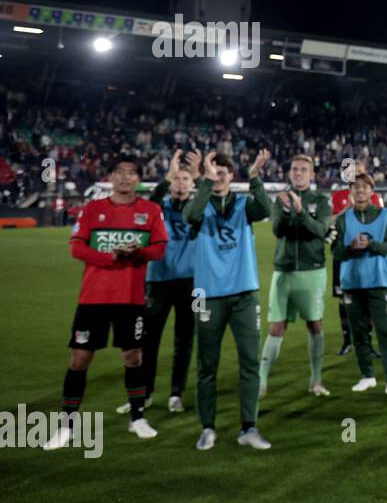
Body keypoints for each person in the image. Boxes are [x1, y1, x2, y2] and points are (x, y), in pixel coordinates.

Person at [45, 155, 167, 449]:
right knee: (79, 359)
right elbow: (76, 248)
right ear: (110, 177)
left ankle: (137, 418)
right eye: (120, 173)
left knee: (133, 357)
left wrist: (136, 252)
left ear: (138, 178)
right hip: (94, 297)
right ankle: (67, 425)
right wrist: (111, 257)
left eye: (132, 173)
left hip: (130, 297)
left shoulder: (150, 210)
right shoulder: (92, 209)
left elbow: (160, 248)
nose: (126, 178)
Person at [185, 150, 275, 451]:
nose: (219, 176)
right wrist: (205, 183)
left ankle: (248, 427)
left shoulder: (241, 204)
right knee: (206, 365)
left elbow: (265, 209)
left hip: (244, 294)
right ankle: (207, 427)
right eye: (214, 172)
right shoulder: (200, 201)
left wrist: (255, 177)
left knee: (250, 362)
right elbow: (191, 217)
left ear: (231, 176)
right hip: (206, 296)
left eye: (223, 172)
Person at [260, 155, 333, 397]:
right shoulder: (279, 200)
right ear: (289, 173)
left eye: (304, 169)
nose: (299, 173)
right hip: (285, 270)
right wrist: (289, 210)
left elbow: (321, 231)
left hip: (312, 271)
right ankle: (261, 381)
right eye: (295, 169)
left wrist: (301, 213)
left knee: (315, 324)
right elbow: (278, 230)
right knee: (276, 327)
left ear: (312, 175)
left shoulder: (321, 201)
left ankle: (315, 380)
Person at [137, 149, 198, 414]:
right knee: (149, 341)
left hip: (189, 283)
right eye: (177, 178)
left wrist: (202, 177)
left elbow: (207, 205)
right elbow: (150, 201)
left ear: (192, 183)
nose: (181, 183)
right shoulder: (157, 209)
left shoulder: (197, 210)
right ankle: (145, 393)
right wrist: (166, 177)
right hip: (157, 281)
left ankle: (176, 393)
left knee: (183, 341)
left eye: (186, 178)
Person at [335, 174, 387, 397]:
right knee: (359, 333)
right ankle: (367, 376)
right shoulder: (343, 219)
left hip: (377, 282)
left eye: (364, 187)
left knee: (384, 331)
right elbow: (335, 252)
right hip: (352, 283)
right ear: (351, 192)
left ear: (372, 191)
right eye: (356, 187)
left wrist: (371, 243)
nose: (360, 191)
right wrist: (351, 247)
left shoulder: (385, 216)